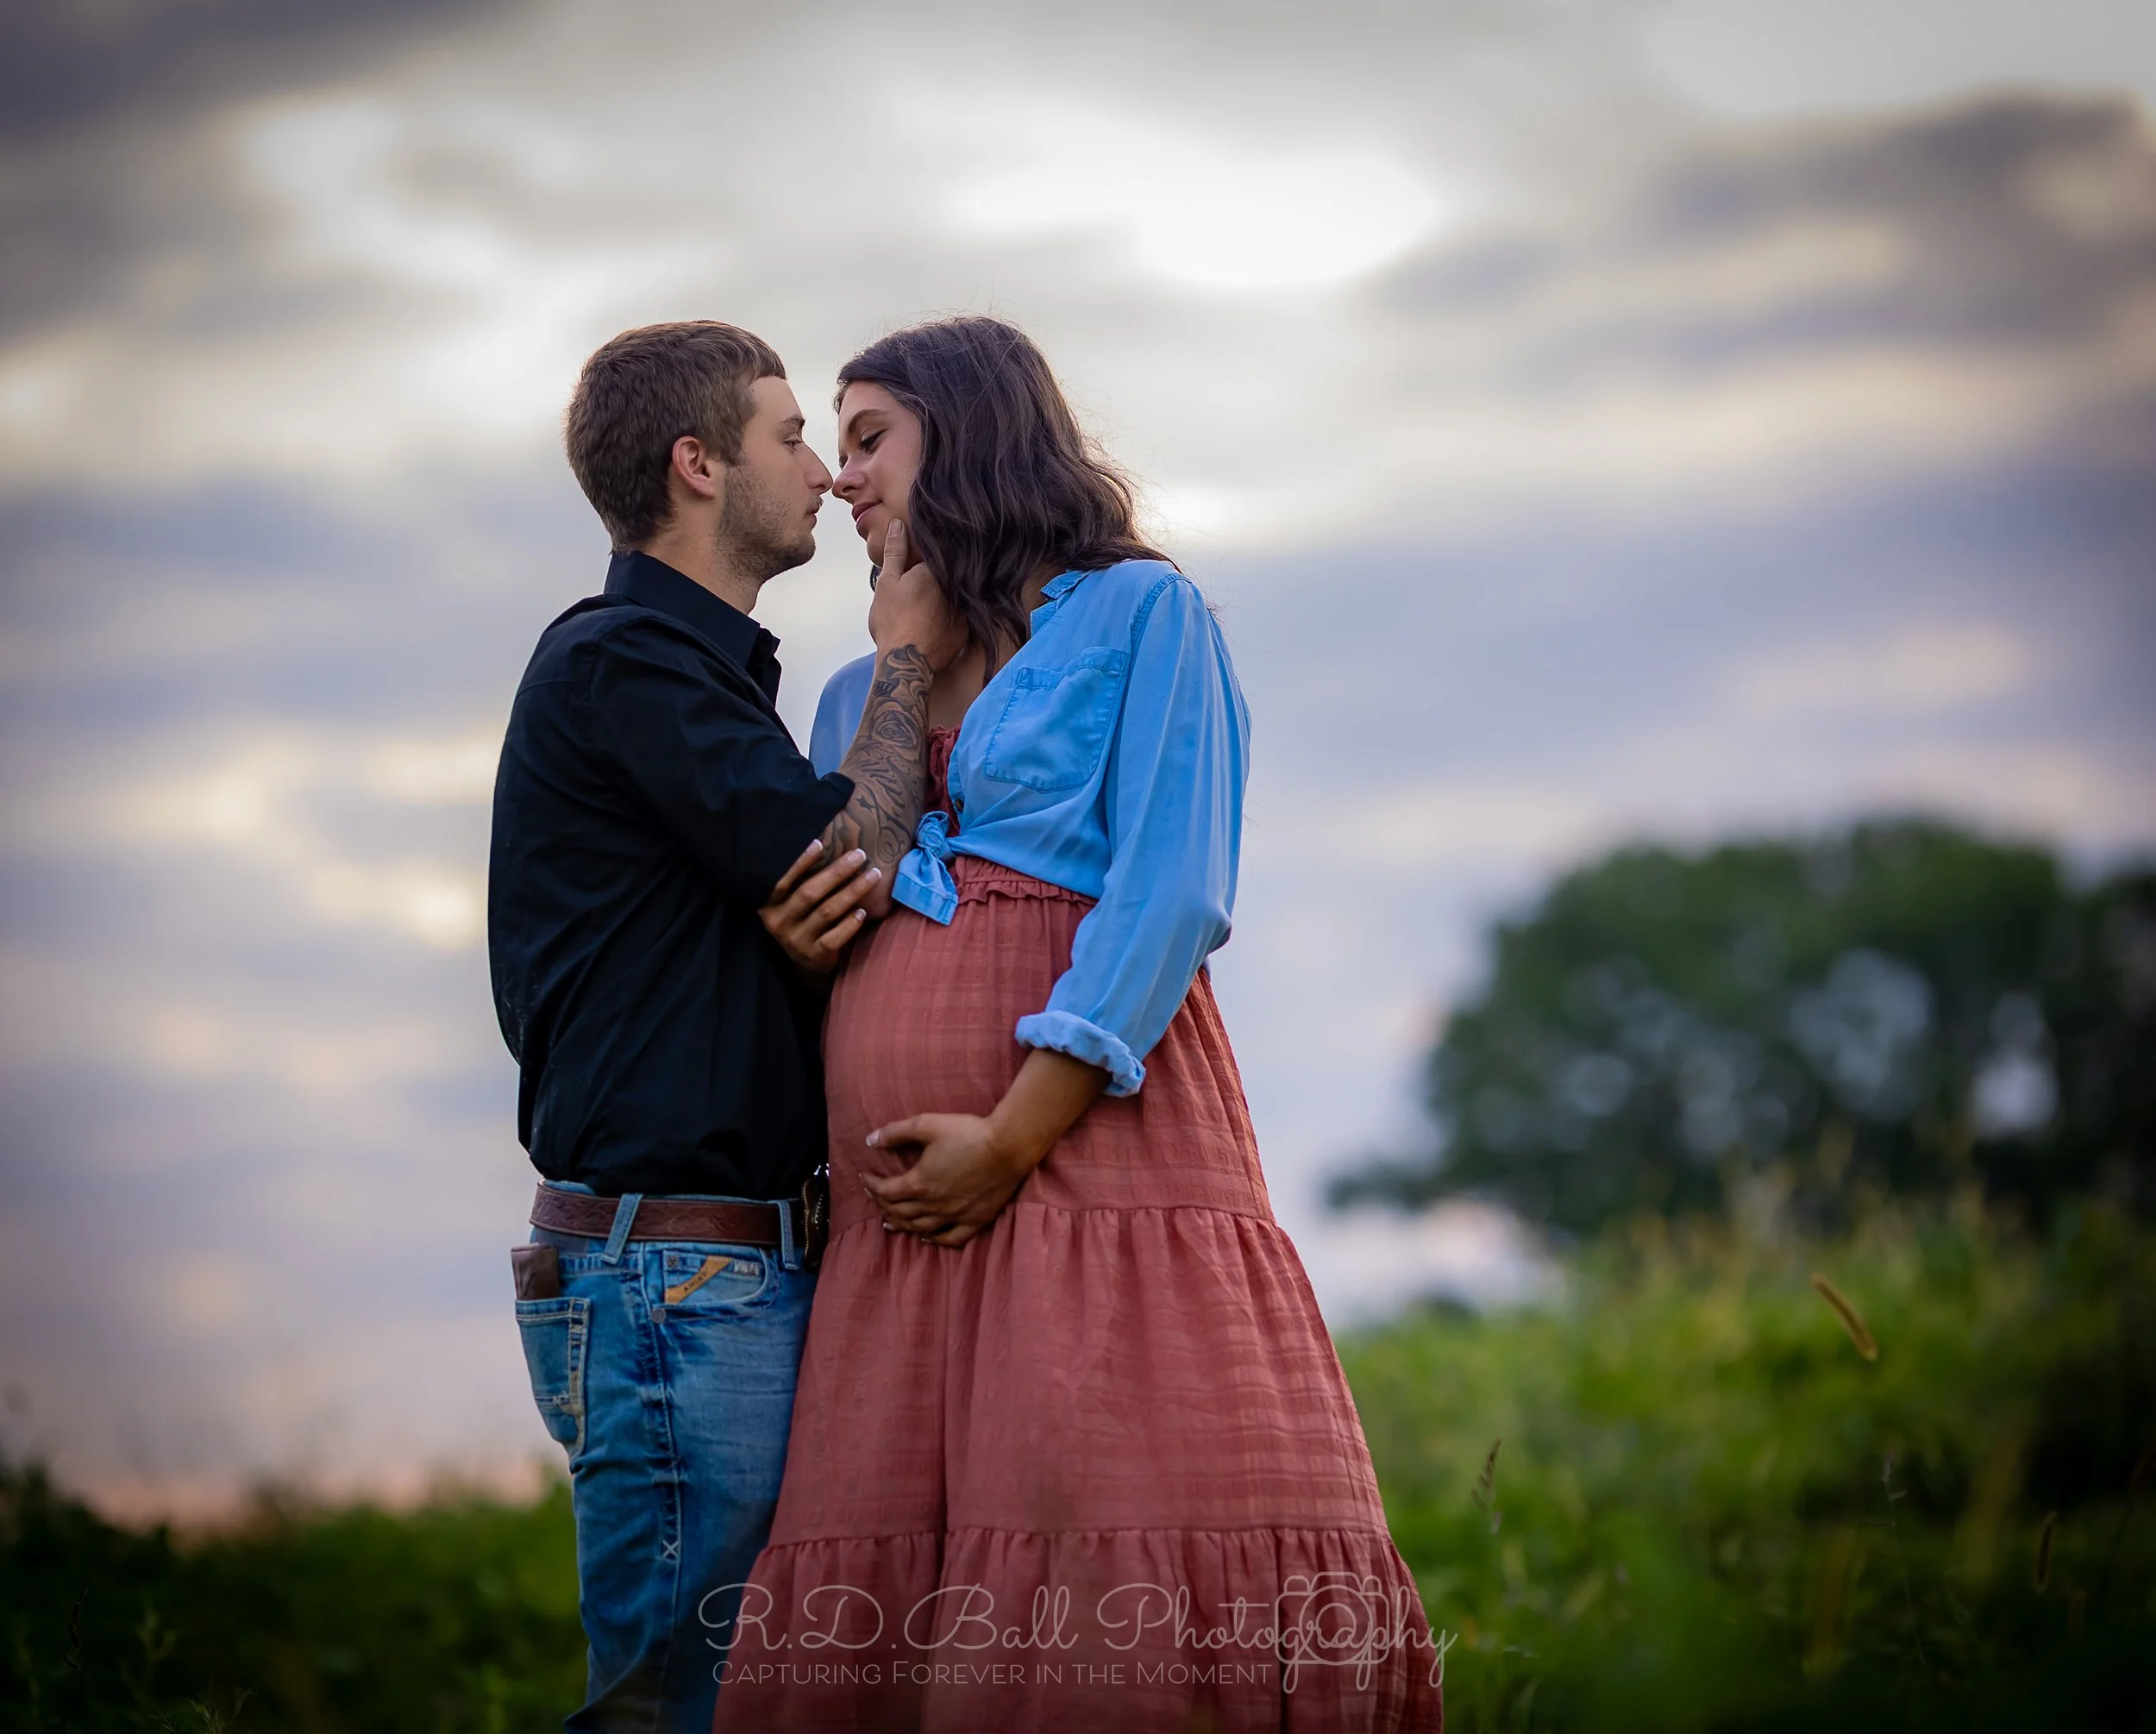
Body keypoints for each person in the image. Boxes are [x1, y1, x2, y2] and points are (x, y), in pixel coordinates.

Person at [714, 317, 1440, 1731]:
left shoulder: (1142, 615)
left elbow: (1169, 889)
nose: (844, 479)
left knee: (1099, 1552)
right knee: (897, 1618)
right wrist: (906, 665)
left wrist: (1009, 1131)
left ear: (972, 431)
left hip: (1089, 1168)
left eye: (871, 439)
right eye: (833, 444)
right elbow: (827, 929)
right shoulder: (861, 692)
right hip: (901, 1238)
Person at [488, 319, 960, 1731]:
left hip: (706, 1273)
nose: (823, 473)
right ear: (698, 465)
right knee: (673, 1710)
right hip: (672, 1280)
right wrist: (906, 660)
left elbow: (826, 899)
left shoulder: (685, 684)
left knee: (750, 1700)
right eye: (788, 436)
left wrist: (812, 917)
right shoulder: (624, 661)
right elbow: (855, 862)